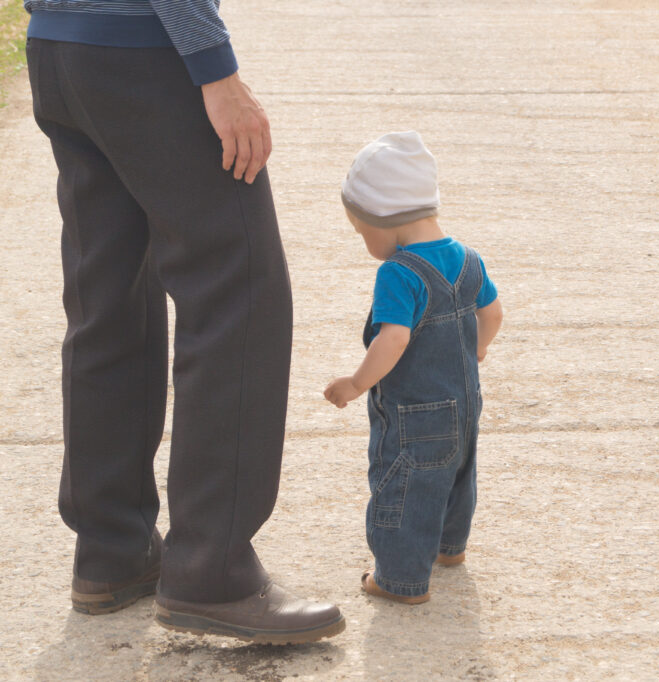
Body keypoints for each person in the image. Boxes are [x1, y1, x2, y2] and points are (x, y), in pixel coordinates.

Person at [23, 0, 344, 643]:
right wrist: (215, 69)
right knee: (239, 289)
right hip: (145, 47)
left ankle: (111, 551)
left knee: (108, 298)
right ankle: (211, 571)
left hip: (60, 49)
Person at [324, 131, 503, 604]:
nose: (365, 241)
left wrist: (357, 383)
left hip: (415, 412)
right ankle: (449, 548)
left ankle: (399, 579)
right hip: (465, 403)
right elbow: (493, 314)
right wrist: (478, 351)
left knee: (403, 482)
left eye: (362, 232)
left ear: (384, 221)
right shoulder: (468, 259)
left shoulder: (399, 272)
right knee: (457, 473)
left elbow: (395, 337)